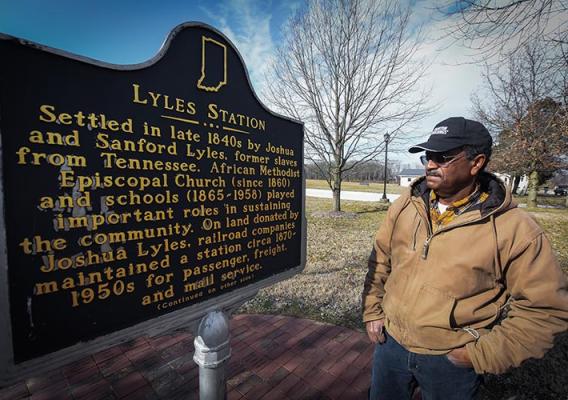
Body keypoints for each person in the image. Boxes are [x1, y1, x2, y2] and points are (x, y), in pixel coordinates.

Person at [362, 117, 568, 400]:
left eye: (443, 157)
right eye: (429, 155)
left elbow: (545, 311)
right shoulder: (405, 206)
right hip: (391, 345)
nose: (430, 164)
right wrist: (373, 311)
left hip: (451, 361)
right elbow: (380, 260)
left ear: (476, 163)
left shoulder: (515, 229)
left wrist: (479, 355)